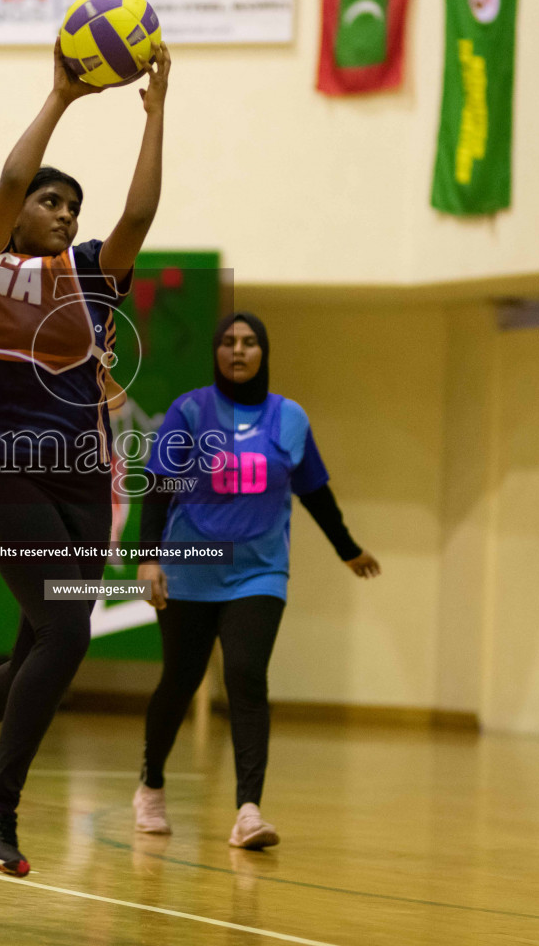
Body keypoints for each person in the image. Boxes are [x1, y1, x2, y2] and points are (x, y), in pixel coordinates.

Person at [0, 40, 172, 877]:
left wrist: (156, 117)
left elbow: (140, 218)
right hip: (9, 473)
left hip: (85, 485)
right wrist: (61, 98)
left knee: (40, 652)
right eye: (51, 202)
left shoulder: (89, 277)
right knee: (66, 630)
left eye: (71, 207)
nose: (64, 214)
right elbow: (12, 181)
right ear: (16, 214)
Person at [131, 312, 381, 849]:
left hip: (260, 572)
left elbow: (314, 491)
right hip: (189, 568)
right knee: (180, 679)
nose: (238, 351)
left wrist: (347, 549)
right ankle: (150, 787)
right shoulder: (190, 410)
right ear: (216, 352)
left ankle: (248, 811)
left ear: (263, 352)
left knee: (246, 675)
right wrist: (147, 558)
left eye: (248, 343)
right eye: (228, 342)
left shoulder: (289, 418)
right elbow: (155, 486)